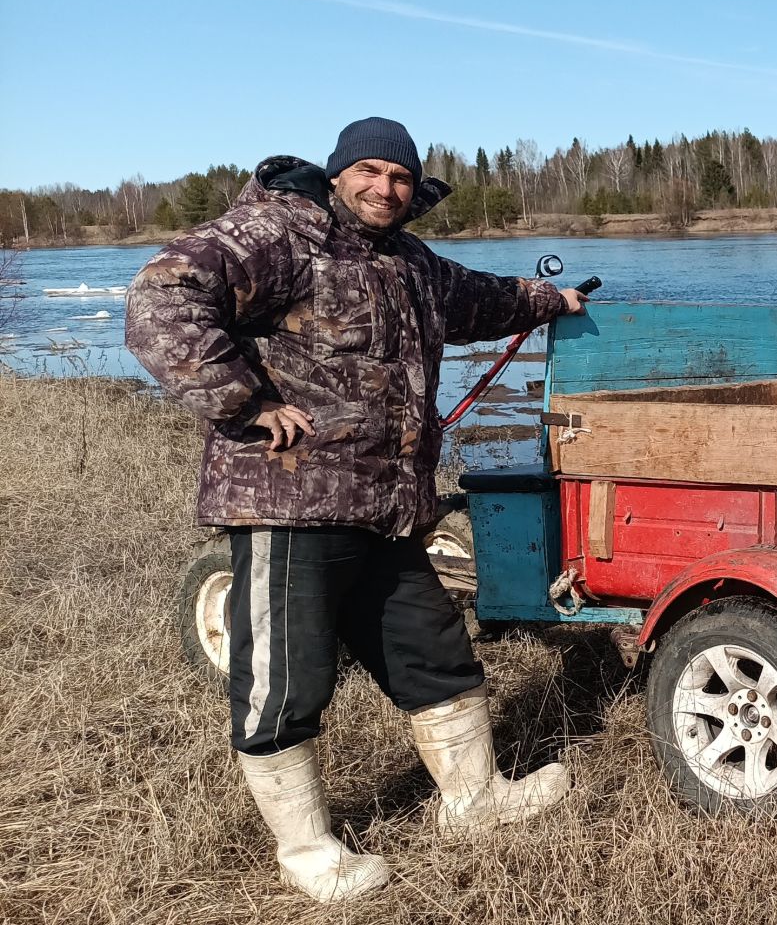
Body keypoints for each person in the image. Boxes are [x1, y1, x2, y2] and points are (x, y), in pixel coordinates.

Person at [126, 117, 590, 902]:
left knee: (435, 653)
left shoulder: (408, 261)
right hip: (290, 499)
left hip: (387, 506)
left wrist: (552, 299)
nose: (385, 188)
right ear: (338, 173)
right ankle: (306, 852)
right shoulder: (277, 233)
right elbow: (161, 298)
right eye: (370, 171)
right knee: (288, 680)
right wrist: (246, 401)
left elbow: (482, 298)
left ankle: (473, 801)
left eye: (401, 177)